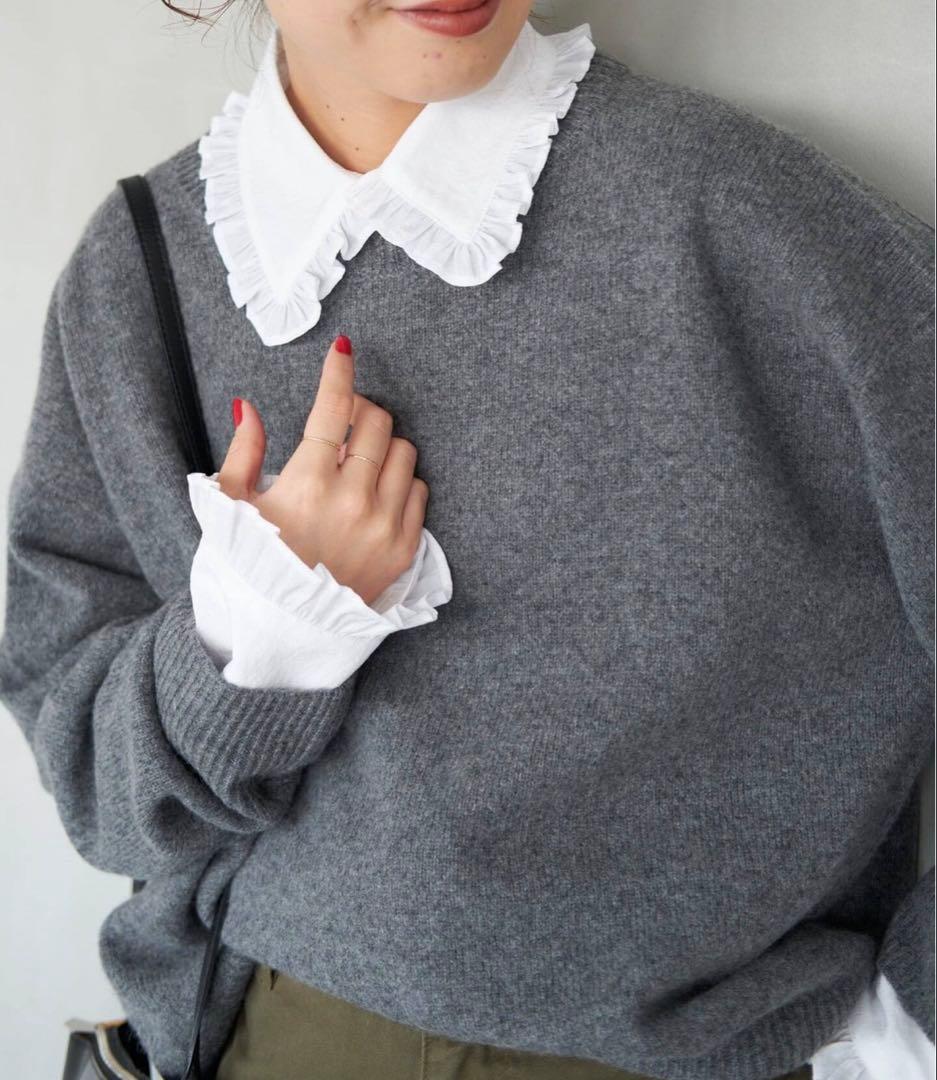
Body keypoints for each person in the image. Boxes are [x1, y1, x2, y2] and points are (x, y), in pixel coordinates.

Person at [0, 2, 933, 1078]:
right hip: (278, 1036)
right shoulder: (141, 266)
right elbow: (98, 797)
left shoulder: (750, 220)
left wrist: (912, 1029)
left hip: (707, 1052)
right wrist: (255, 636)